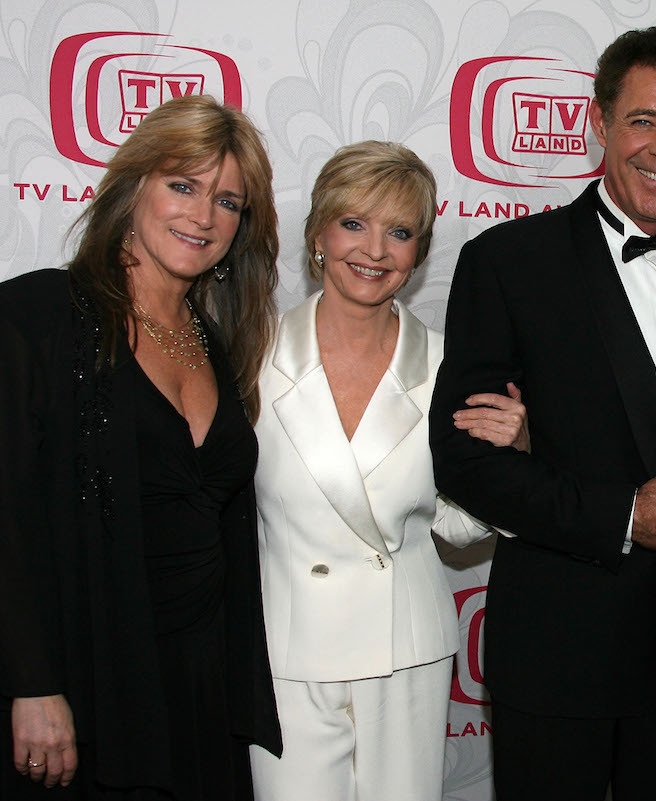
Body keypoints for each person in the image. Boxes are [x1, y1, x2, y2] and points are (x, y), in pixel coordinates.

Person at [430, 26, 656, 801]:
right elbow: (467, 461)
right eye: (643, 120)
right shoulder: (509, 262)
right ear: (599, 122)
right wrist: (628, 514)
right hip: (557, 654)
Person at [0, 94, 281, 799]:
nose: (203, 215)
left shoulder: (214, 342)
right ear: (133, 188)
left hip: (199, 684)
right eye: (181, 185)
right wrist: (31, 685)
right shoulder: (38, 317)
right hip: (86, 680)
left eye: (227, 201)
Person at [248, 141, 527, 801]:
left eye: (399, 232)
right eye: (353, 223)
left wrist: (511, 461)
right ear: (318, 232)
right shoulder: (250, 353)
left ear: (419, 253)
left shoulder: (447, 365)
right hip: (287, 654)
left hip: (406, 652)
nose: (374, 250)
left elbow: (459, 527)